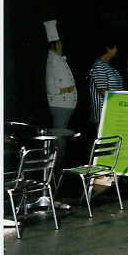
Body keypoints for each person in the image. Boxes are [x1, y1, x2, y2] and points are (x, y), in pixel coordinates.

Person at [44, 20, 78, 171]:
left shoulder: (58, 59)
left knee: (61, 137)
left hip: (65, 106)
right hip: (60, 105)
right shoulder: (52, 61)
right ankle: (57, 169)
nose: (62, 46)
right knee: (59, 138)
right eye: (60, 44)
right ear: (56, 45)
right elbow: (52, 88)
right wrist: (68, 89)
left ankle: (59, 166)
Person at [88, 37, 124, 127]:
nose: (117, 50)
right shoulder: (99, 66)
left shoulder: (109, 66)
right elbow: (102, 91)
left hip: (114, 108)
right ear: (109, 49)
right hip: (104, 110)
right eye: (116, 48)